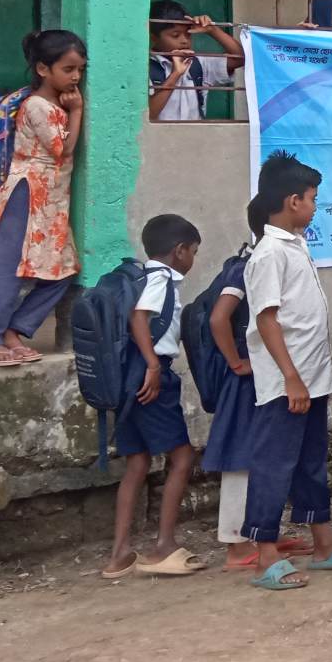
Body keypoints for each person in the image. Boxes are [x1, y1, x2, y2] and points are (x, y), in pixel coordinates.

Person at [241, 151, 332, 589]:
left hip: (311, 377)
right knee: (275, 463)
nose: (315, 206)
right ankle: (265, 554)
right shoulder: (268, 254)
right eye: (313, 198)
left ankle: (324, 543)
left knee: (310, 461)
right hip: (288, 381)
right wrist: (290, 376)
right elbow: (266, 319)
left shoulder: (295, 244)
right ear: (293, 201)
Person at [0, 30, 86, 368]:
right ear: (43, 69)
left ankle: (14, 330)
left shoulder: (55, 103)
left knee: (63, 271)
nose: (76, 77)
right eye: (68, 69)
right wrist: (77, 112)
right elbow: (63, 149)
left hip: (51, 200)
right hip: (27, 193)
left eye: (80, 69)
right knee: (8, 269)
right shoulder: (36, 106)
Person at [202, 201, 311, 572]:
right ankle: (236, 544)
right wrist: (236, 362)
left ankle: (261, 534)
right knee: (243, 455)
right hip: (248, 378)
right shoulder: (248, 265)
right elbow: (219, 318)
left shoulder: (267, 259)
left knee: (265, 455)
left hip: (262, 373)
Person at [104, 214, 205, 579]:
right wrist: (152, 365)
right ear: (179, 251)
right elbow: (139, 317)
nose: (193, 259)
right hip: (150, 375)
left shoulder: (139, 276)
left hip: (126, 377)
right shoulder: (161, 279)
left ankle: (119, 554)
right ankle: (164, 546)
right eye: (193, 252)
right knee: (182, 457)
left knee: (137, 462)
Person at [147, 0, 244, 122]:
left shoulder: (198, 65)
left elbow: (240, 58)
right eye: (175, 35)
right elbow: (148, 115)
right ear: (154, 38)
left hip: (196, 134)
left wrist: (212, 30)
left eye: (188, 34)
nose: (184, 41)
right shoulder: (147, 69)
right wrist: (175, 75)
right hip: (161, 135)